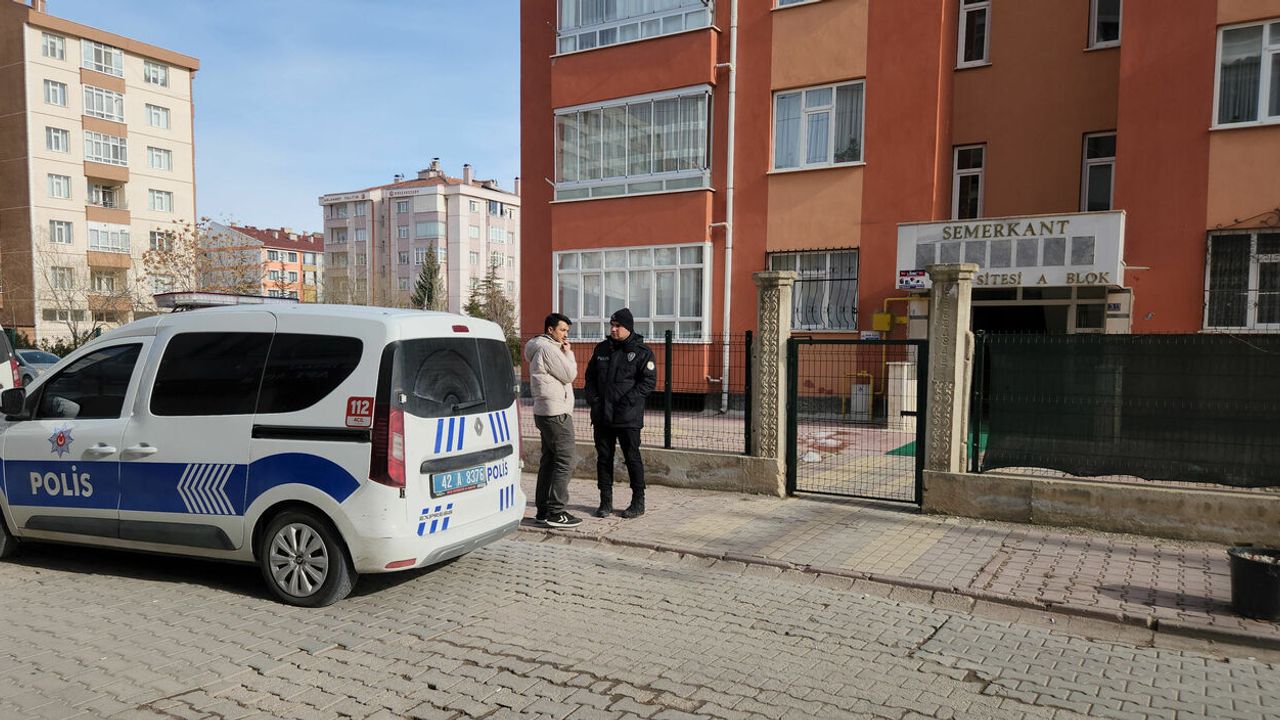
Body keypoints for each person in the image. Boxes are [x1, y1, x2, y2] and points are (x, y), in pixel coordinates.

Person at [584, 308, 656, 519]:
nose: (614, 329)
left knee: (632, 458)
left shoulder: (642, 352)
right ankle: (605, 502)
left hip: (628, 417)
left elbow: (648, 382)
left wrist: (627, 402)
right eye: (612, 325)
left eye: (618, 326)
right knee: (604, 458)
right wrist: (594, 401)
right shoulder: (602, 349)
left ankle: (638, 502)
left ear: (628, 328)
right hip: (602, 416)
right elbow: (590, 378)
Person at [524, 313, 582, 529]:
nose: (566, 335)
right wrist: (569, 354)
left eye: (567, 331)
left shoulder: (540, 347)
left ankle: (543, 511)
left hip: (546, 411)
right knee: (566, 460)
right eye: (562, 330)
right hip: (556, 413)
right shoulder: (548, 348)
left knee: (549, 461)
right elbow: (569, 374)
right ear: (550, 330)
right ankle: (556, 511)